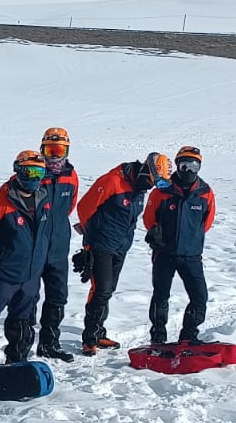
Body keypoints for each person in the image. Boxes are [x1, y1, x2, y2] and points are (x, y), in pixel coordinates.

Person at [73, 152, 172, 355]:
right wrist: (89, 233)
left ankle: (100, 332)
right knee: (101, 289)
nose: (153, 186)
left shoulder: (139, 188)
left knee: (108, 289)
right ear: (147, 170)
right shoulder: (112, 181)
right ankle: (89, 338)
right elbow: (85, 207)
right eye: (154, 181)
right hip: (100, 243)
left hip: (120, 245)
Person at [0, 151, 56, 366]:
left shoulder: (44, 200)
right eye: (29, 171)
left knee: (22, 321)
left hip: (31, 274)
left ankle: (17, 360)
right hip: (3, 273)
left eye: (39, 172)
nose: (34, 177)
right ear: (18, 171)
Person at [143, 146, 216, 344]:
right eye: (184, 165)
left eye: (193, 165)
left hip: (191, 255)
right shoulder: (162, 191)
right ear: (177, 166)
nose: (188, 170)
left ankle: (189, 335)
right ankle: (158, 337)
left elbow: (206, 222)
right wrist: (154, 231)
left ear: (199, 166)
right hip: (164, 254)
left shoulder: (205, 193)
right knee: (160, 295)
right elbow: (149, 218)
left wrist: (191, 238)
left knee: (199, 296)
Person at [35, 128, 81, 361]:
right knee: (28, 297)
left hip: (59, 247)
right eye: (50, 150)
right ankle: (20, 345)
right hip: (34, 247)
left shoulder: (71, 176)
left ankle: (49, 342)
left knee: (57, 296)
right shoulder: (33, 173)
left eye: (59, 151)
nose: (54, 157)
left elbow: (69, 207)